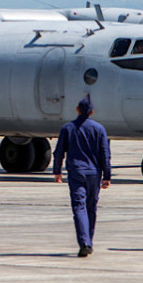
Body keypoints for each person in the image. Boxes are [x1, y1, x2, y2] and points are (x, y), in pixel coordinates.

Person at [53, 95, 112, 257]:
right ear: (92, 112)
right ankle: (89, 241)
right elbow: (105, 154)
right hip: (94, 174)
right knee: (91, 208)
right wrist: (107, 175)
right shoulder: (99, 129)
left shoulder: (68, 128)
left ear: (77, 110)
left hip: (76, 173)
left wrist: (56, 171)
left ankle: (84, 242)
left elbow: (59, 152)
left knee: (79, 207)